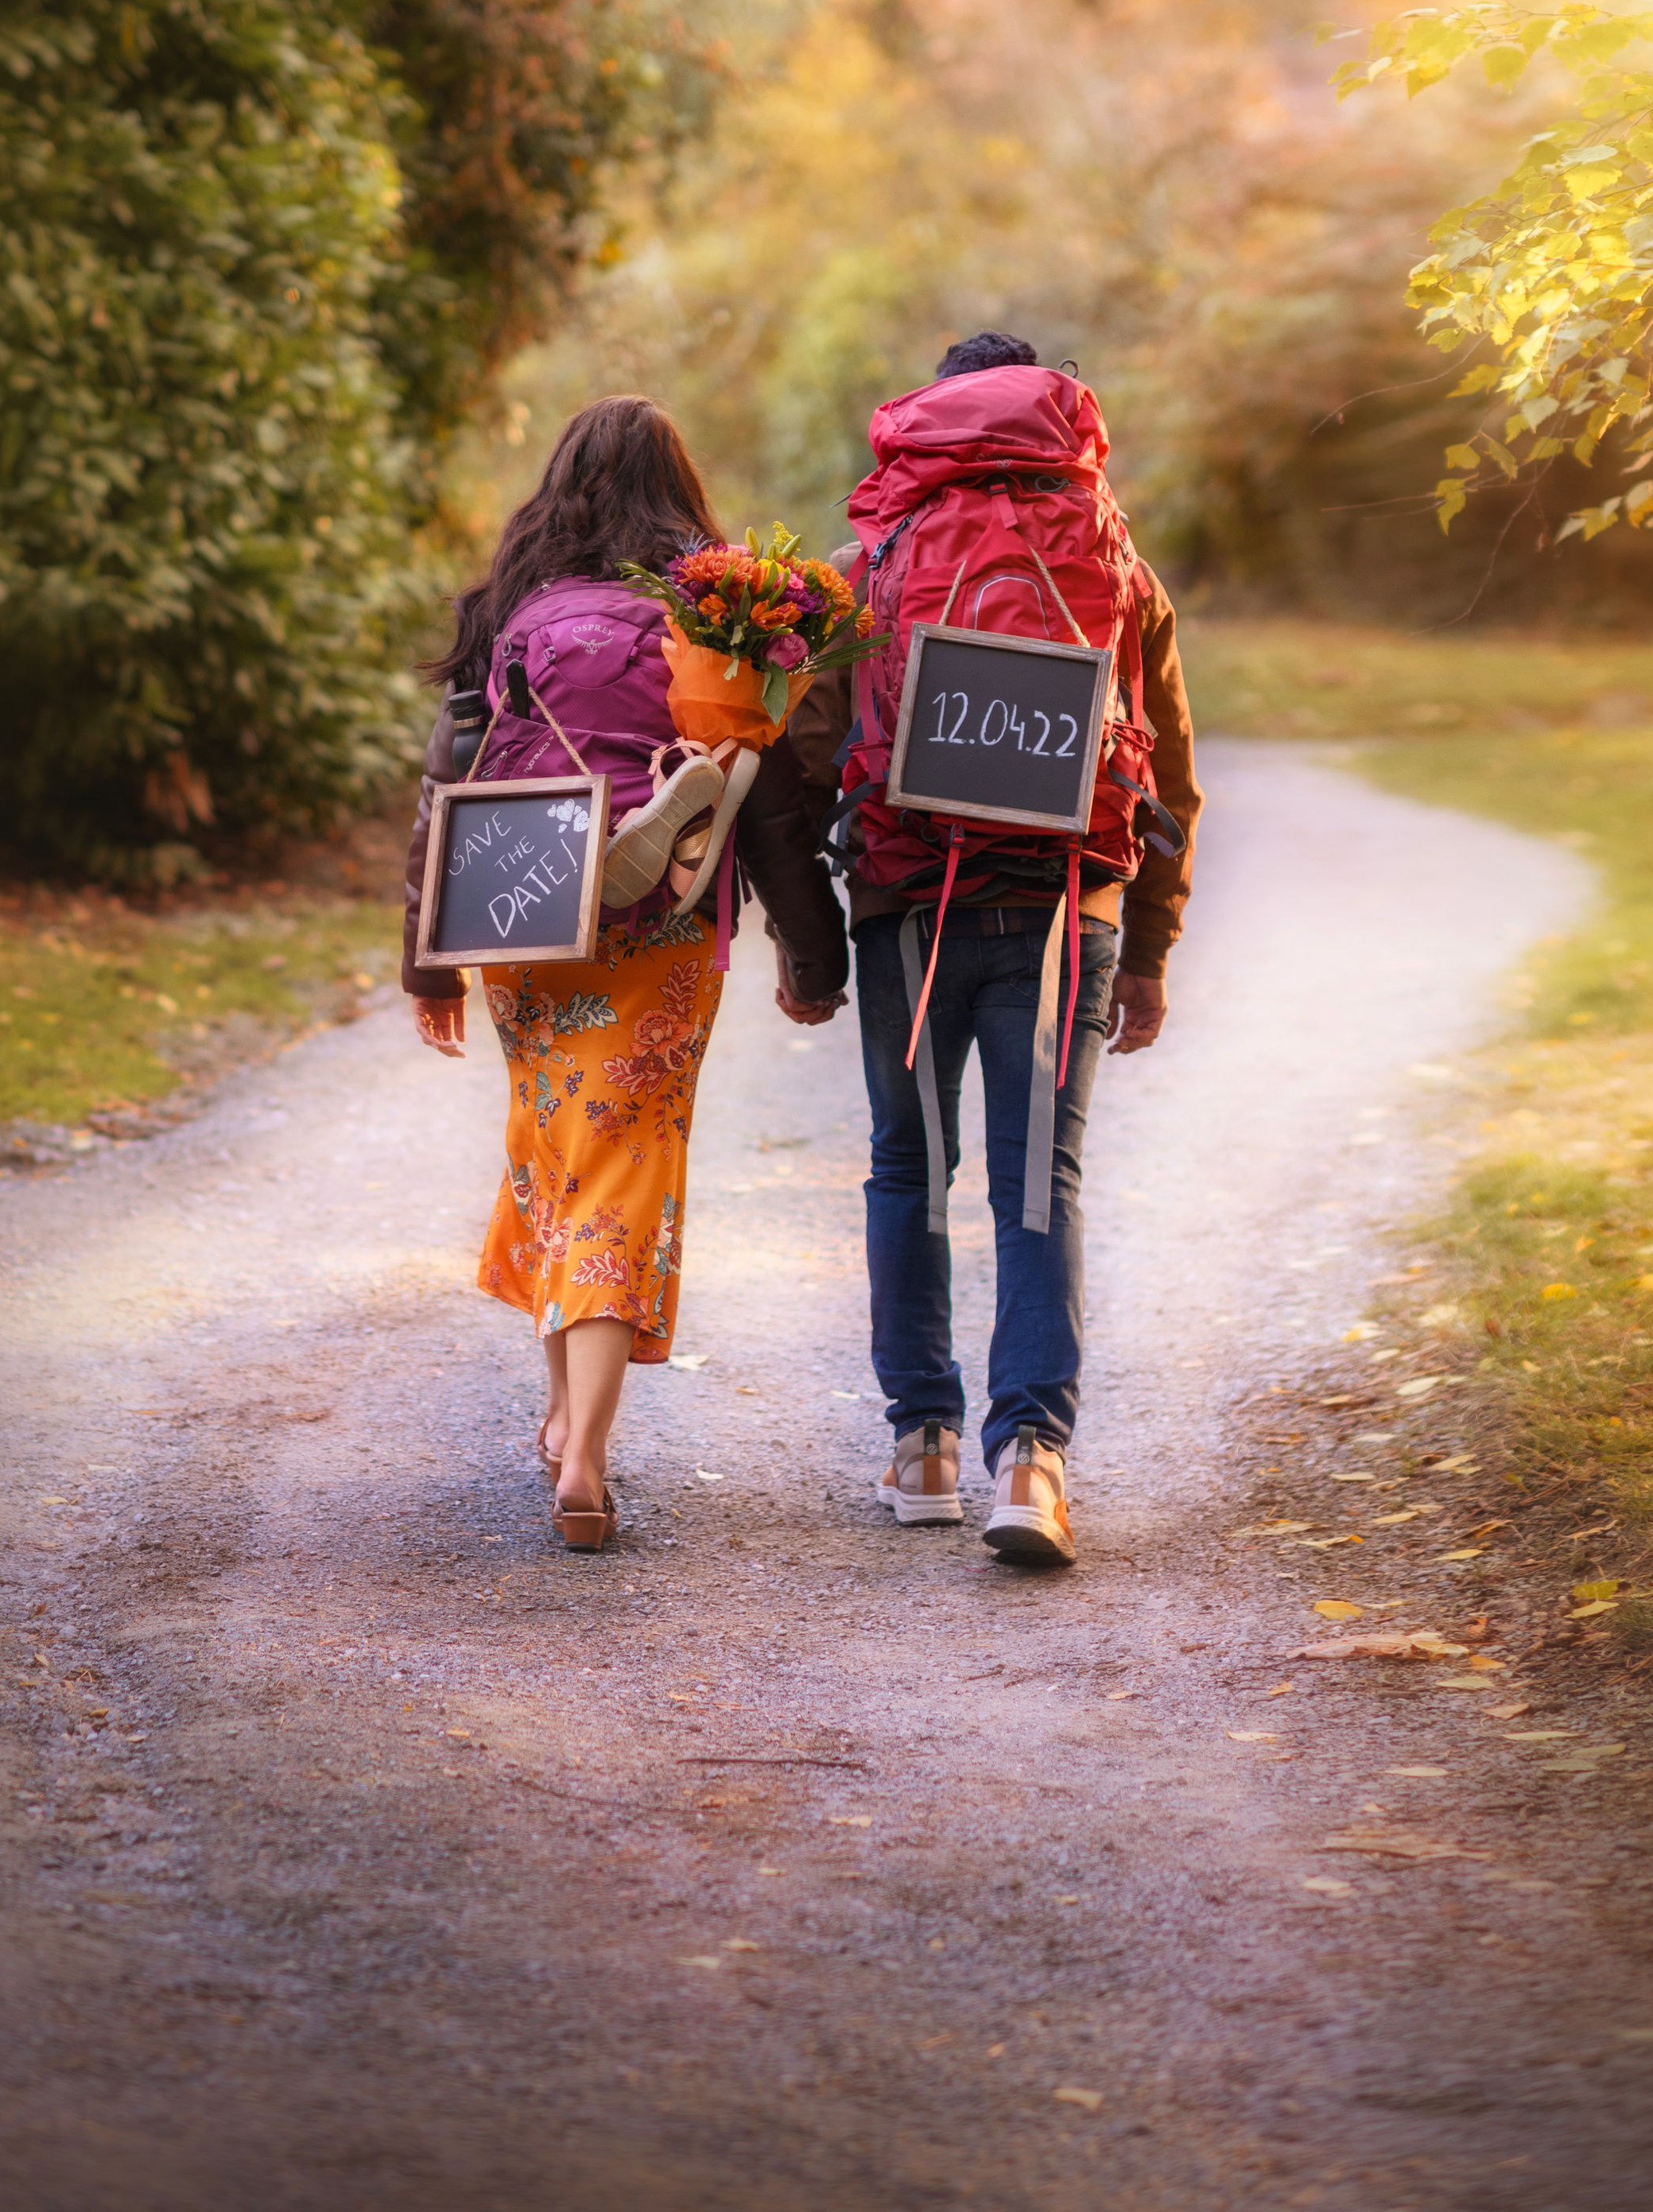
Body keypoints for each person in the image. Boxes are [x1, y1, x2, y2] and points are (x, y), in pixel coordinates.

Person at [403, 397, 848, 1548]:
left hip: (522, 908)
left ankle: (565, 1415)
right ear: (678, 492)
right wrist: (814, 956)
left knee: (557, 1152)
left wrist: (428, 965)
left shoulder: (511, 616)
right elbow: (771, 809)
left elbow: (446, 793)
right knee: (623, 1166)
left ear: (562, 488)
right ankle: (587, 1453)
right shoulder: (714, 622)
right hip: (663, 925)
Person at [790, 333, 1200, 1570]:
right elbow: (1171, 772)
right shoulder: (1114, 562)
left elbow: (807, 752)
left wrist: (816, 941)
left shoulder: (869, 565)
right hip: (1071, 909)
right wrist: (1151, 948)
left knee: (908, 1170)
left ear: (928, 419)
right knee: (1037, 1184)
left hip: (908, 908)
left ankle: (922, 1446)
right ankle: (1030, 1464)